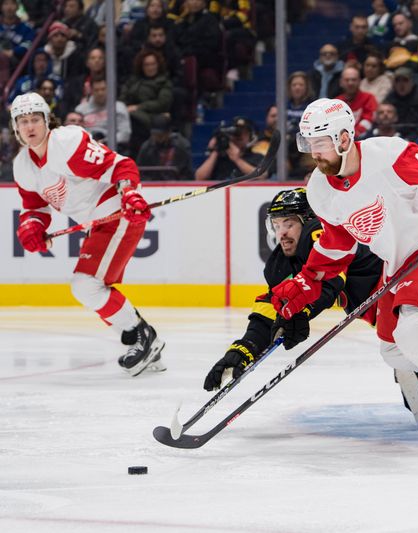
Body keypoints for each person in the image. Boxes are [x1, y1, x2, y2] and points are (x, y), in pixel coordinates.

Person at [268, 98, 418, 456]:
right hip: (397, 263)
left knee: (414, 331)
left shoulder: (388, 157)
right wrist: (310, 279)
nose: (312, 152)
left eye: (318, 142)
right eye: (307, 143)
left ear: (342, 138)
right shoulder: (319, 190)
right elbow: (338, 242)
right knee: (394, 349)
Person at [204, 187, 418, 430]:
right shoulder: (280, 264)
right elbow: (270, 307)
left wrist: (302, 312)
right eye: (276, 225)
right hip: (395, 315)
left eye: (288, 223)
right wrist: (244, 348)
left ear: (309, 222)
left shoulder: (327, 240)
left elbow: (329, 281)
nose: (281, 233)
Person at [10, 92, 165, 376]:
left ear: (47, 121)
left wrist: (129, 193)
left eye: (35, 119)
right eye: (22, 121)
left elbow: (121, 166)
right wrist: (32, 225)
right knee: (88, 286)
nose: (30, 126)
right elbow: (36, 207)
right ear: (15, 127)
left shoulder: (66, 144)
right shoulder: (23, 165)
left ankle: (143, 336)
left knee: (86, 284)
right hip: (98, 223)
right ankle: (140, 337)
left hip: (117, 212)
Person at [195, 116, 261, 181]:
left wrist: (236, 159)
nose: (239, 135)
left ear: (250, 136)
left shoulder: (256, 157)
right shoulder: (218, 158)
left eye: (244, 132)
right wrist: (216, 149)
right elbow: (199, 178)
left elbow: (261, 176)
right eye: (235, 132)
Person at [135, 114, 192, 179]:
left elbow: (187, 173)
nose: (157, 138)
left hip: (176, 184)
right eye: (154, 135)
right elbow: (140, 171)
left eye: (160, 135)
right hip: (151, 184)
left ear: (168, 132)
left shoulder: (182, 145)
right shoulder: (146, 147)